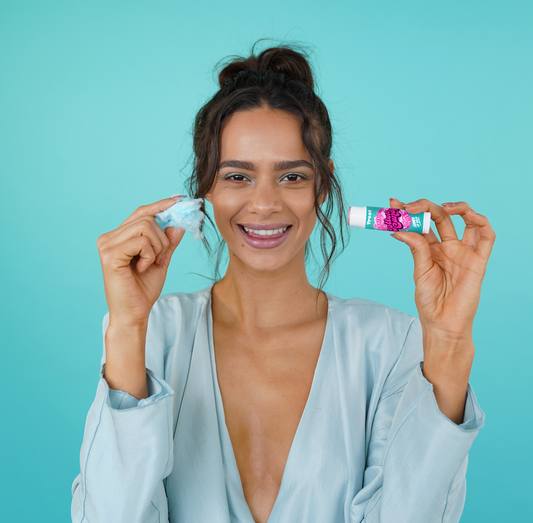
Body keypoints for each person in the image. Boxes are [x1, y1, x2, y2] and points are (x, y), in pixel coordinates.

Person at [71, 43, 495, 523]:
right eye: (237, 177)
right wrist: (127, 327)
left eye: (292, 176)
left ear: (323, 184)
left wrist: (448, 342)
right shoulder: (154, 333)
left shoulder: (391, 344)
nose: (265, 204)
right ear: (205, 187)